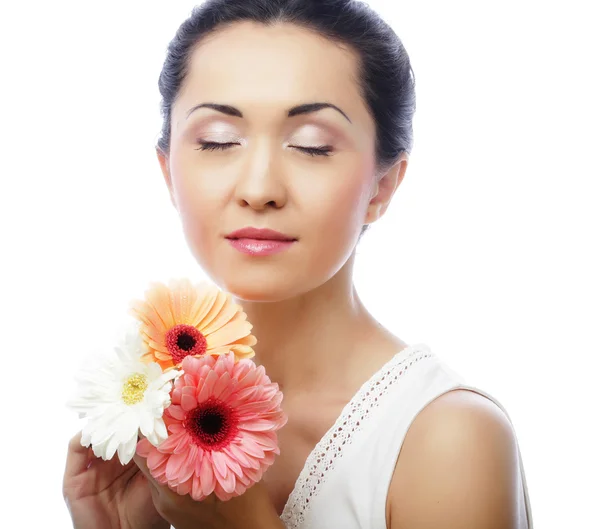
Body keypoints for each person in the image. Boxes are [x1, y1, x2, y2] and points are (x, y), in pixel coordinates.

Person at [63, 0, 533, 528]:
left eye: (311, 146)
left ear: (383, 185)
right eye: (219, 141)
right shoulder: (152, 422)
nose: (260, 188)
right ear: (169, 172)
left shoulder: (448, 438)